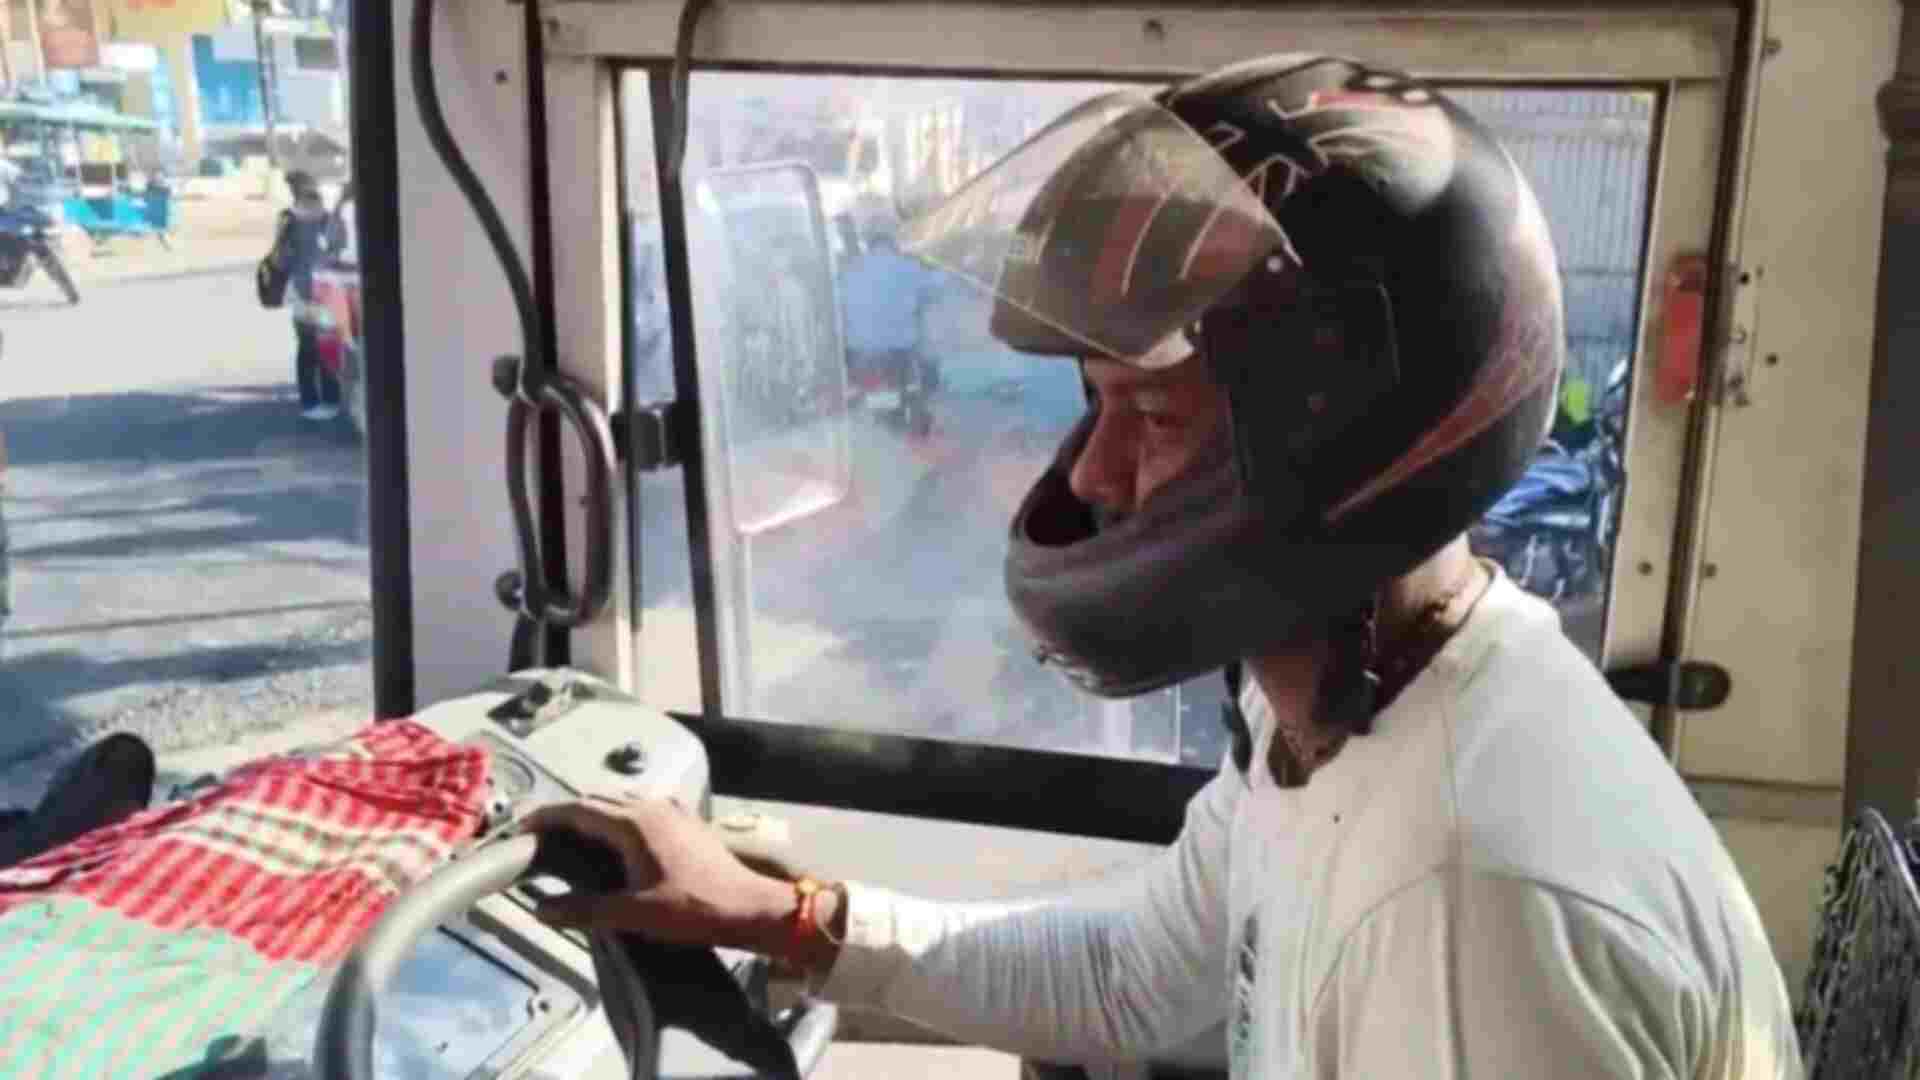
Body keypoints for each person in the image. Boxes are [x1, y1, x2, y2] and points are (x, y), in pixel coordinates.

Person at [523, 55, 1802, 1077]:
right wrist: (788, 919)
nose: (1087, 478)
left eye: (1156, 412)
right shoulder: (1344, 705)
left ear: (1338, 437)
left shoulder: (1466, 902)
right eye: (1095, 402)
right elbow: (1140, 972)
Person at [839, 224, 942, 435]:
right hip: (900, 348)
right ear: (892, 244)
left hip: (858, 350)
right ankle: (918, 401)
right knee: (924, 361)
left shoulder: (850, 269)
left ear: (869, 245)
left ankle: (894, 405)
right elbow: (934, 289)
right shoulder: (908, 266)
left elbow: (840, 303)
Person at [275, 170, 344, 421]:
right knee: (312, 347)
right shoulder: (291, 221)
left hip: (318, 293)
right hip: (310, 293)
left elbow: (339, 249)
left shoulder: (323, 220)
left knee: (317, 346)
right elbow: (282, 258)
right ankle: (318, 400)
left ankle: (323, 399)